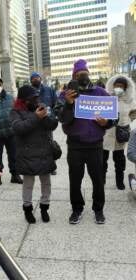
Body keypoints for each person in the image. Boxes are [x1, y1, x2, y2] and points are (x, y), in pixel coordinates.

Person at [55, 59, 117, 225]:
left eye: (85, 72)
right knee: (75, 180)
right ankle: (77, 209)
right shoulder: (65, 95)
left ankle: (98, 209)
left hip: (95, 144)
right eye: (78, 73)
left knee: (98, 179)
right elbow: (62, 119)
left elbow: (113, 116)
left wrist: (107, 123)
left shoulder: (101, 92)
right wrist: (68, 104)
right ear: (73, 76)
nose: (83, 75)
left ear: (89, 74)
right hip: (75, 145)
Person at [10, 85, 58, 223]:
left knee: (46, 183)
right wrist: (36, 117)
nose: (35, 100)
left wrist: (45, 116)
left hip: (44, 152)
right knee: (28, 184)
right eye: (31, 98)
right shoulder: (15, 111)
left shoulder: (42, 107)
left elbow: (53, 125)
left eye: (36, 97)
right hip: (27, 154)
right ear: (23, 100)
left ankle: (44, 207)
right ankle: (28, 209)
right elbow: (18, 128)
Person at [103, 75, 136, 189]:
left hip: (121, 135)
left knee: (119, 161)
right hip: (106, 134)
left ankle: (120, 182)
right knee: (102, 160)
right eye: (117, 85)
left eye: (121, 86)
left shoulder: (129, 101)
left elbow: (134, 116)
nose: (118, 88)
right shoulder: (107, 98)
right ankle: (101, 180)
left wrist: (130, 125)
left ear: (125, 87)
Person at [30, 72, 58, 175]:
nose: (35, 79)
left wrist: (52, 116)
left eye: (37, 77)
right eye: (33, 78)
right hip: (34, 122)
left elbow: (56, 104)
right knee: (34, 144)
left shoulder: (49, 90)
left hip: (47, 122)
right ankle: (37, 165)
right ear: (31, 80)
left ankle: (51, 166)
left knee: (49, 144)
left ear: (40, 79)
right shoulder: (29, 91)